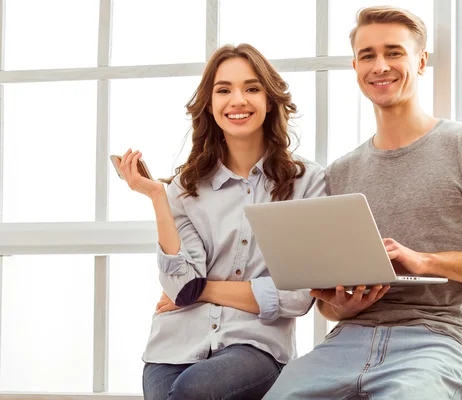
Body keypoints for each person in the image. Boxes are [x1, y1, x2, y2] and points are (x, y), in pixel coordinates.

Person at [264, 6, 462, 400]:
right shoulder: (341, 172)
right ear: (355, 66)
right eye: (368, 55)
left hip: (437, 340)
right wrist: (343, 305)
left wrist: (425, 260)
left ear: (421, 61)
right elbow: (328, 309)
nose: (380, 66)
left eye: (394, 52)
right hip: (346, 342)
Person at [116, 43, 325, 400]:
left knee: (192, 391)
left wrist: (203, 289)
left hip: (255, 346)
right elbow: (180, 282)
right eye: (224, 90)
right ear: (210, 106)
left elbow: (298, 295)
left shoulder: (308, 182)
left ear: (270, 100)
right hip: (173, 346)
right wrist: (157, 198)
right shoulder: (185, 187)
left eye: (252, 88)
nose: (237, 100)